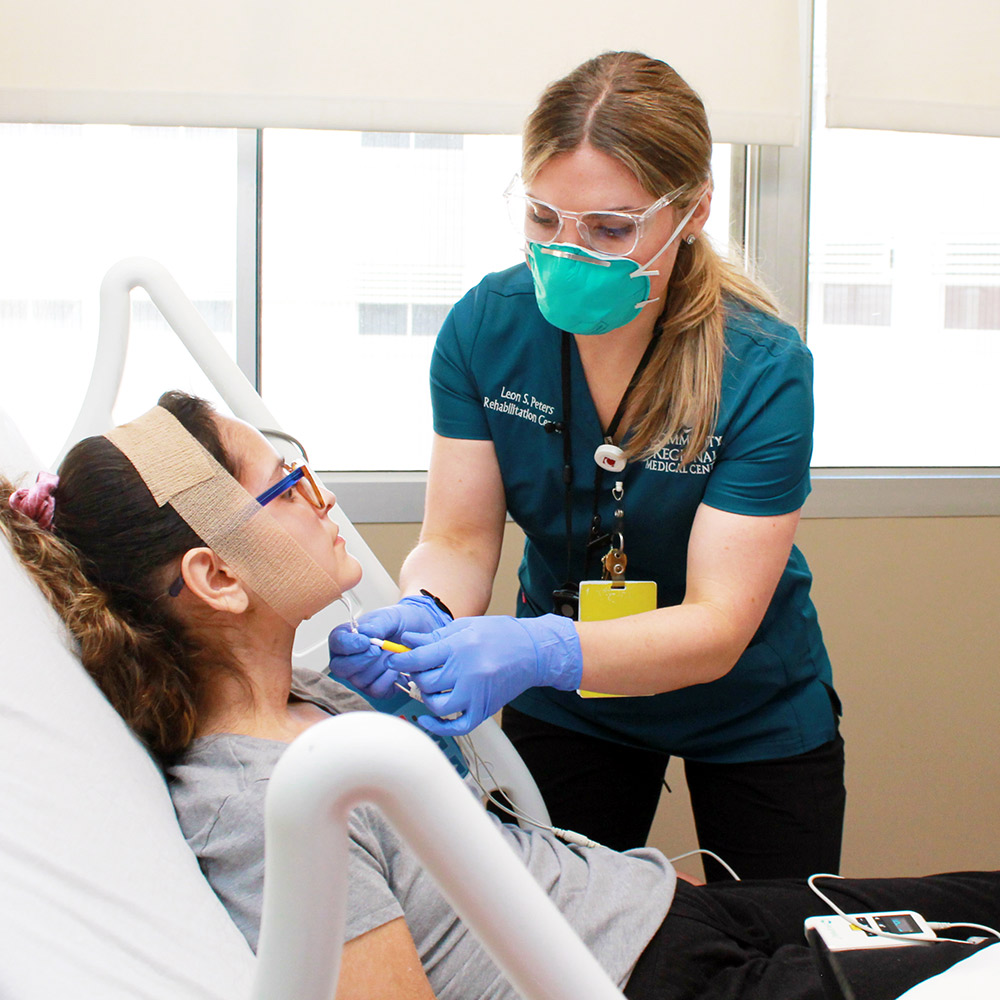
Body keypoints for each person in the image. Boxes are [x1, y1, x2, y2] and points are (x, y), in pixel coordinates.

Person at [3, 390, 998, 1000]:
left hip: (663, 913)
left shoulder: (312, 702)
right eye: (285, 485)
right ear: (216, 578)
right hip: (646, 979)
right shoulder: (270, 807)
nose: (325, 496)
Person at [326, 49, 844, 878]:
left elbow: (717, 624)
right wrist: (427, 614)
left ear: (693, 211)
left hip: (748, 706)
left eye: (610, 228)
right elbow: (458, 540)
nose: (568, 252)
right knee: (560, 946)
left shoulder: (762, 366)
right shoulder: (485, 330)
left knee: (779, 949)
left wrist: (539, 650)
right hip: (573, 711)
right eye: (542, 218)